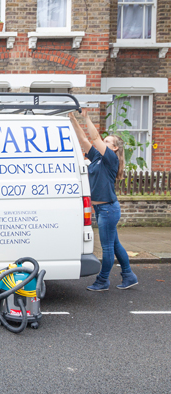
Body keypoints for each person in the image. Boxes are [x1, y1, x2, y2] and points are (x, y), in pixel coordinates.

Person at [69, 110, 138, 291]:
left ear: (114, 148)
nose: (104, 142)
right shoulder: (98, 157)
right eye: (105, 141)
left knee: (107, 248)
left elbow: (95, 137)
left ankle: (103, 281)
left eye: (108, 142)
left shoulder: (110, 159)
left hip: (108, 209)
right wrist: (72, 119)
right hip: (103, 210)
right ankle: (129, 275)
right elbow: (84, 140)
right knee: (114, 245)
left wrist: (86, 118)